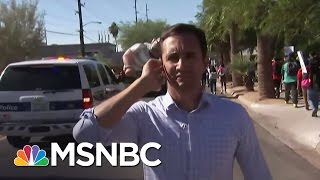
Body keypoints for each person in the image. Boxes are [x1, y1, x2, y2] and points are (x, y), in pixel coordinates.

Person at [73, 23, 272, 180]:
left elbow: (258, 175)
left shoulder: (234, 116)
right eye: (173, 57)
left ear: (204, 63)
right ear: (162, 65)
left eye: (190, 56)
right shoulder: (144, 116)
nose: (181, 64)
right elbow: (85, 133)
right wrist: (141, 85)